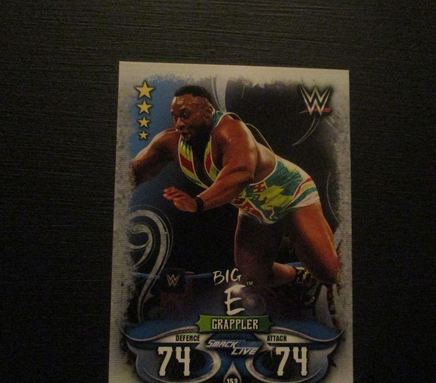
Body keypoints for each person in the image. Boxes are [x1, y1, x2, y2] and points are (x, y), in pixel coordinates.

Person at [130, 85, 341, 290]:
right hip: (254, 209)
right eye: (175, 117)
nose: (179, 124)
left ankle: (338, 257)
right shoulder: (169, 142)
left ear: (208, 111)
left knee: (330, 274)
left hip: (290, 194)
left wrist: (197, 203)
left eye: (185, 115)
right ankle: (301, 277)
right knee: (253, 277)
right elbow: (133, 173)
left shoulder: (231, 130)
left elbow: (240, 174)